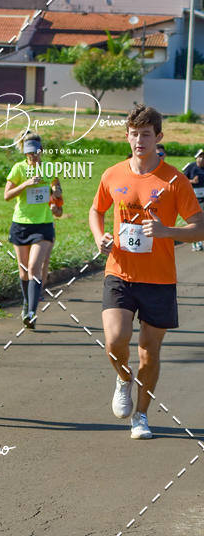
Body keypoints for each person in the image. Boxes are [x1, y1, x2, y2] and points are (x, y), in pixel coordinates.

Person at [89, 104, 204, 440]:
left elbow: (199, 227)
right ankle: (124, 378)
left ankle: (140, 416)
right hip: (119, 272)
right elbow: (96, 211)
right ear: (127, 136)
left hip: (159, 279)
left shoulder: (174, 180)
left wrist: (169, 232)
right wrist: (100, 237)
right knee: (115, 341)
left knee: (148, 353)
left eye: (146, 134)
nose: (139, 140)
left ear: (158, 137)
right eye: (134, 134)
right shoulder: (113, 174)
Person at [4, 131, 62, 329]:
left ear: (41, 150)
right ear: (24, 152)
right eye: (29, 152)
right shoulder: (18, 169)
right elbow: (7, 196)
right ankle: (26, 304)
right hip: (21, 224)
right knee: (24, 271)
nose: (33, 156)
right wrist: (26, 184)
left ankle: (31, 312)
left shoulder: (50, 169)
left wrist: (56, 194)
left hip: (43, 225)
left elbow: (57, 195)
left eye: (36, 152)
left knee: (34, 267)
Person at [183, 149, 204, 251]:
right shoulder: (190, 167)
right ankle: (196, 242)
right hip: (193, 198)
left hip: (203, 198)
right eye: (200, 157)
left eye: (203, 157)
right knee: (196, 221)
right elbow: (182, 180)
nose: (202, 159)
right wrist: (192, 181)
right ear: (196, 157)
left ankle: (199, 240)